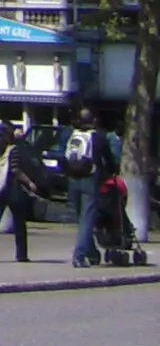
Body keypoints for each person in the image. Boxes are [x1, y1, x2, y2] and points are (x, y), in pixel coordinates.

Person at [0, 122, 41, 262]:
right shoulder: (13, 148)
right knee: (19, 222)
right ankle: (21, 254)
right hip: (11, 189)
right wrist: (29, 182)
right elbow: (15, 169)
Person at [64, 104, 103, 267]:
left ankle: (92, 253)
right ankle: (79, 256)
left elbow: (64, 157)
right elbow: (106, 158)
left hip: (73, 179)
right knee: (87, 220)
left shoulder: (73, 135)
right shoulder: (96, 137)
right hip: (89, 179)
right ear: (93, 120)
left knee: (82, 219)